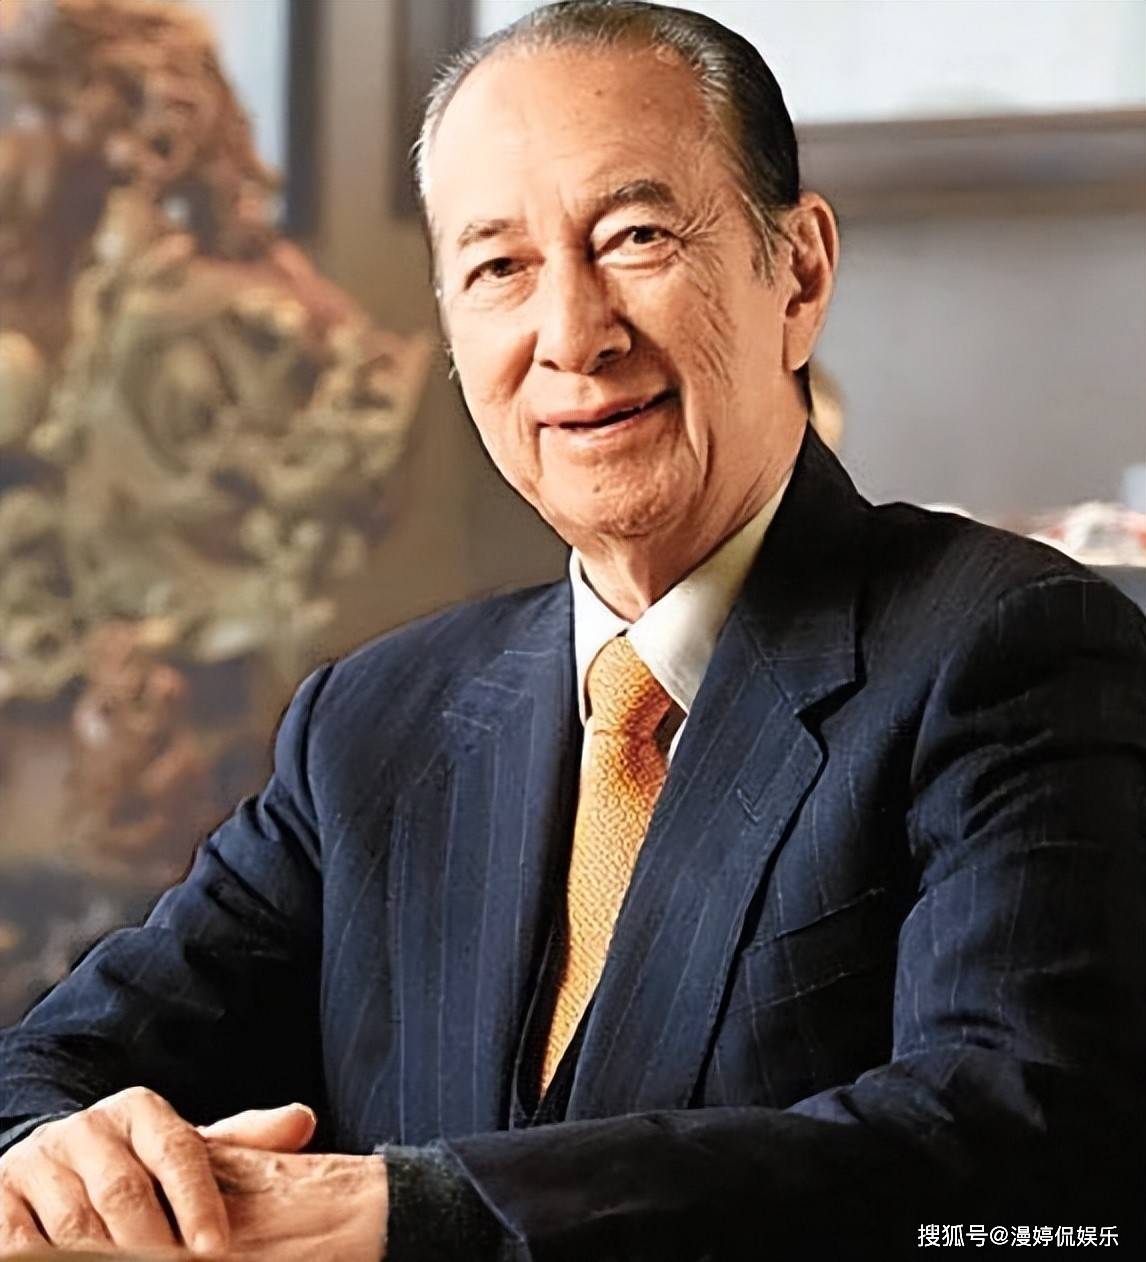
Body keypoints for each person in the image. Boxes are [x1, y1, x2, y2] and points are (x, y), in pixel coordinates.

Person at [1, 2, 1143, 1258]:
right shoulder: (372, 721)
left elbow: (1026, 1150)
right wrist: (54, 1149)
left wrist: (418, 1210)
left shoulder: (1014, 650)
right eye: (500, 268)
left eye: (635, 237)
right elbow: (50, 1064)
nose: (572, 337)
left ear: (800, 273)